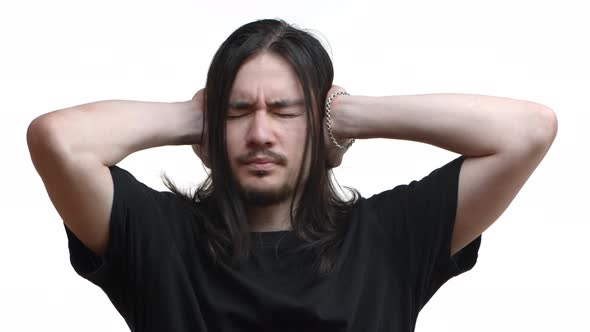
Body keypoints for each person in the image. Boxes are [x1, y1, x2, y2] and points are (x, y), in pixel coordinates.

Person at [27, 18, 557, 332]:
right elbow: (58, 140)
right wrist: (197, 116)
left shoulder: (391, 237)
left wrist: (349, 114)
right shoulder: (157, 238)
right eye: (238, 112)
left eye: (285, 111)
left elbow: (527, 130)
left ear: (320, 124)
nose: (260, 133)